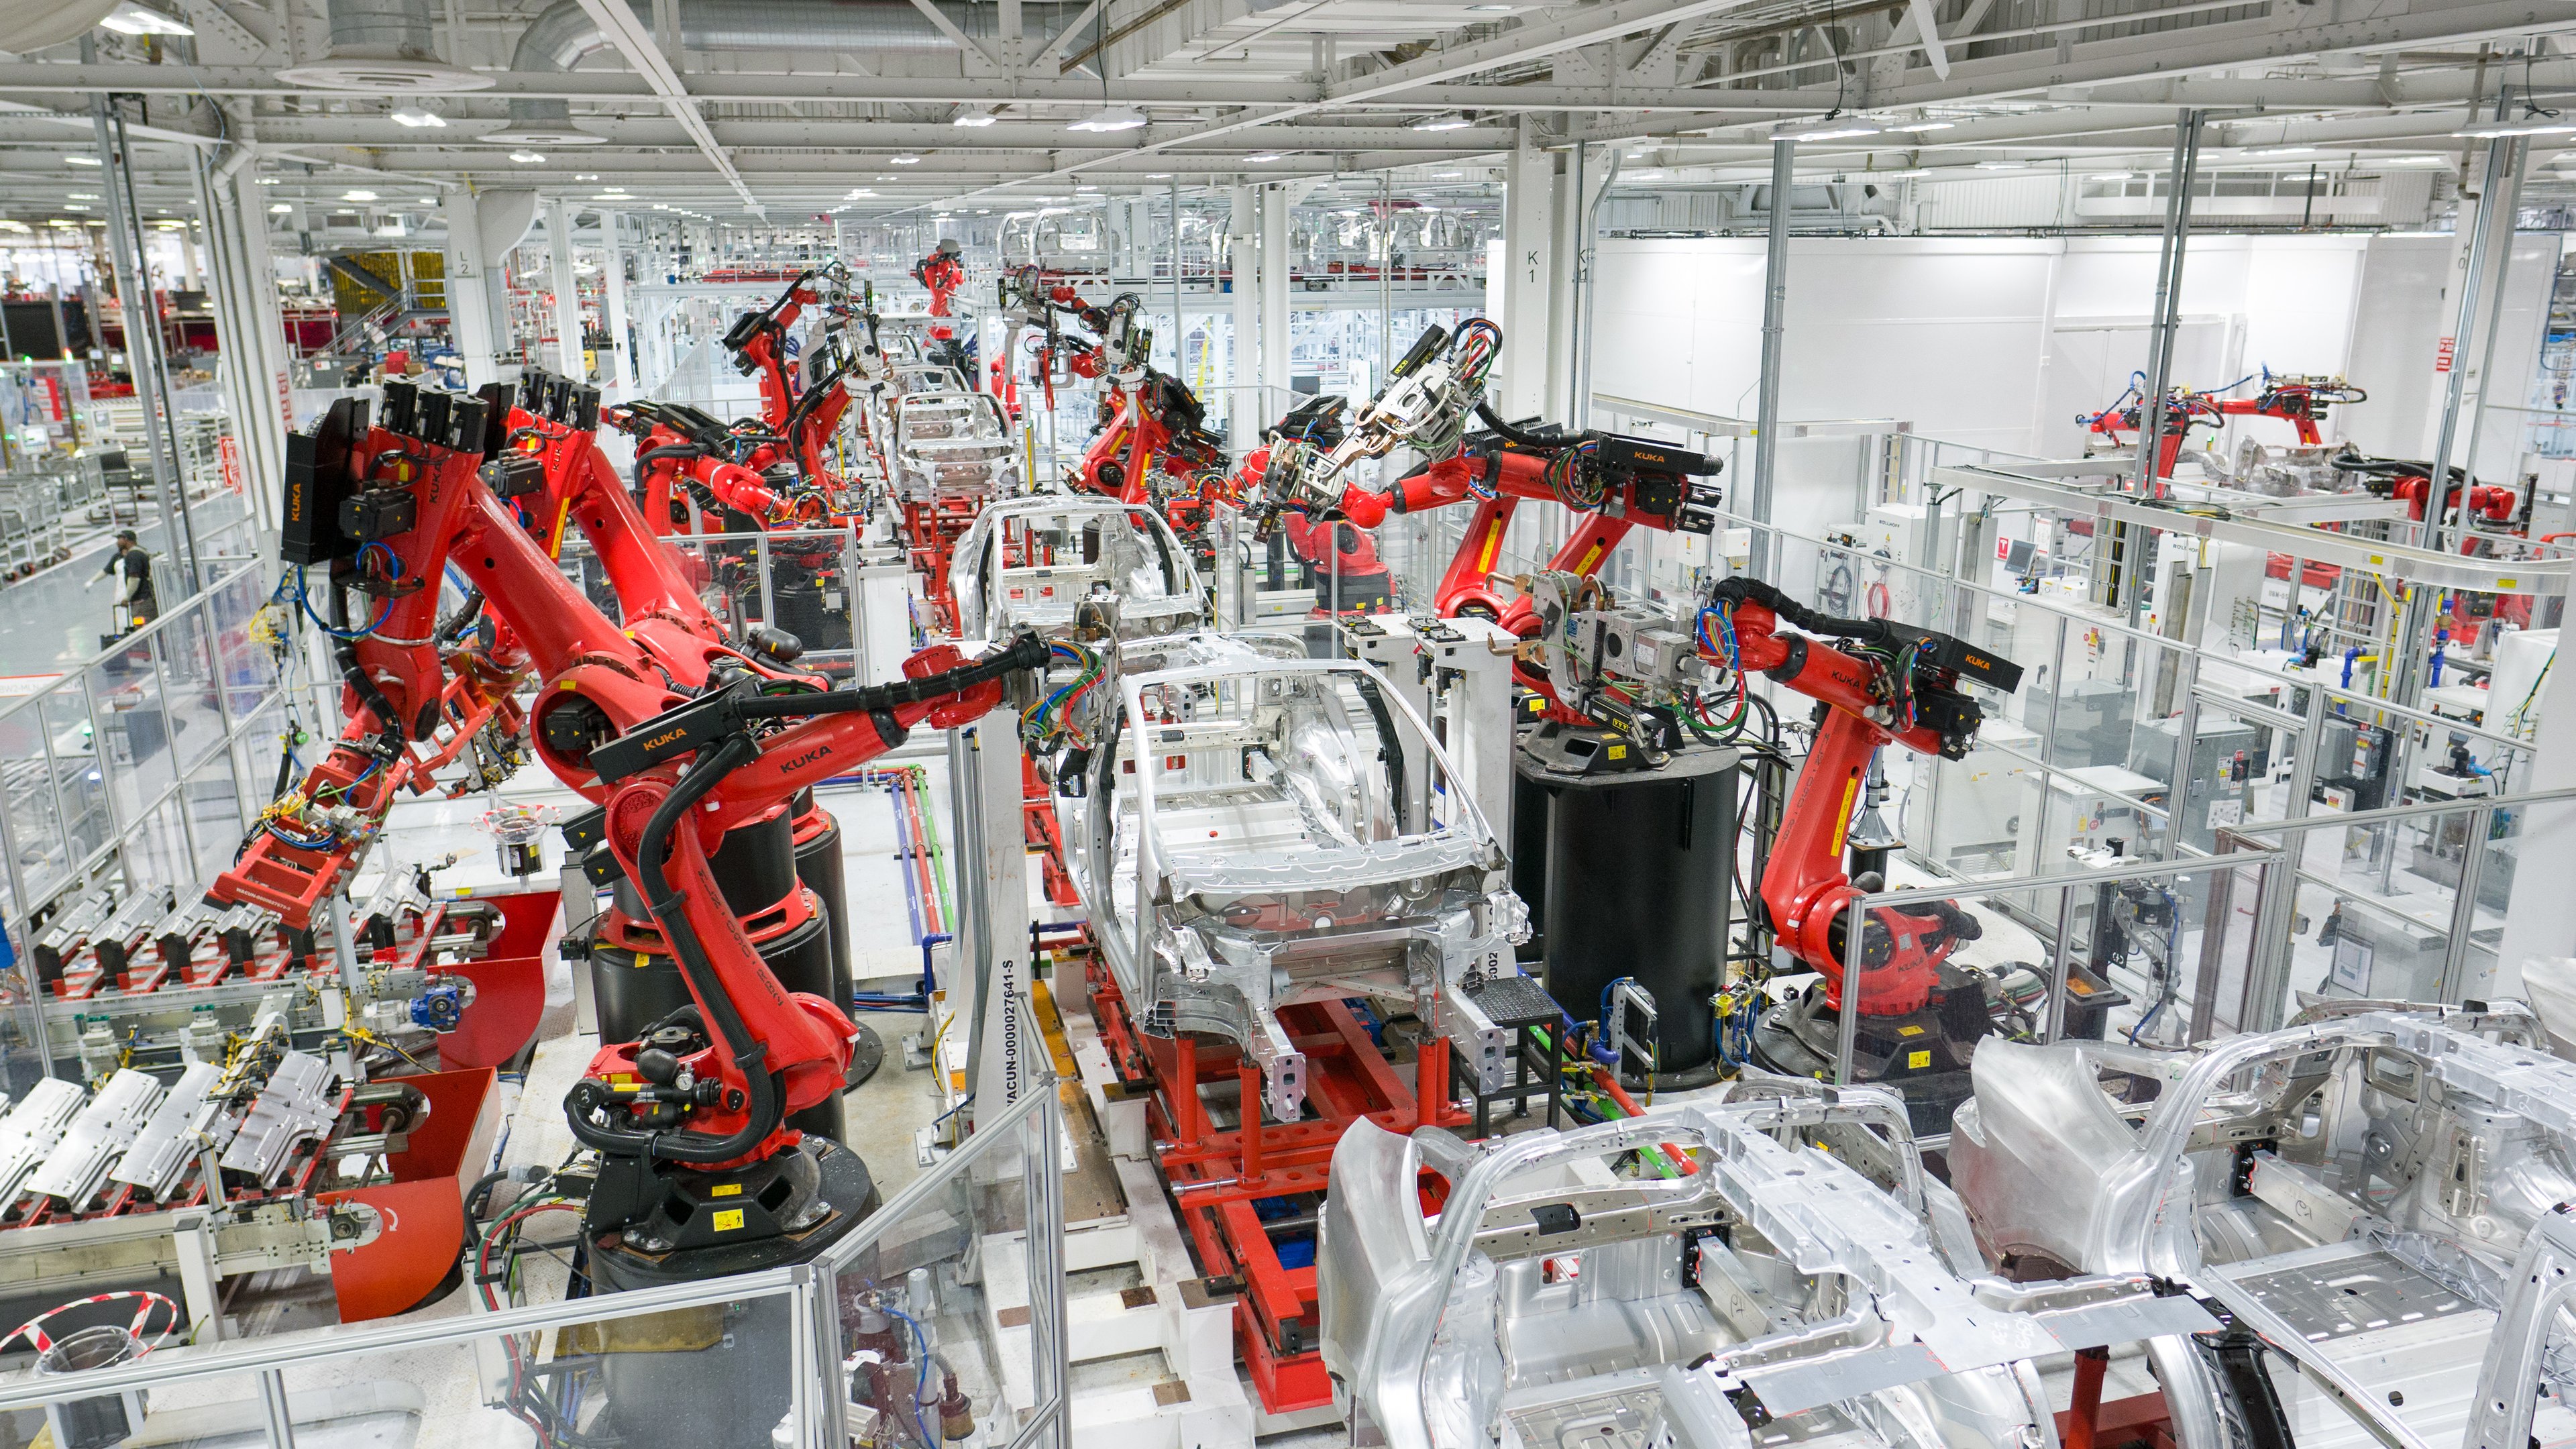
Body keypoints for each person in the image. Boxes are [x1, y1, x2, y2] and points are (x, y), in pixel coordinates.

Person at [89, 528, 158, 636]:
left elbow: (134, 579)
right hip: (145, 601)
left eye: (119, 539)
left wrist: (127, 598)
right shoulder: (139, 552)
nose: (117, 542)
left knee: (145, 632)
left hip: (142, 603)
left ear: (126, 539)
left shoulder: (133, 555)